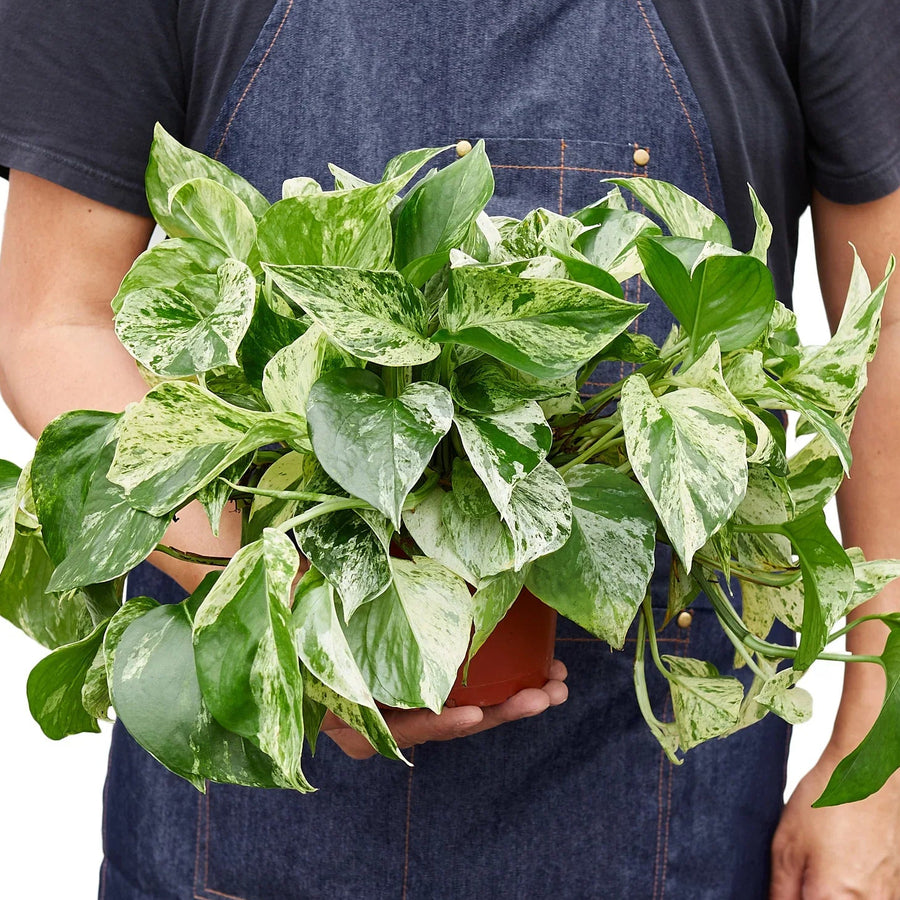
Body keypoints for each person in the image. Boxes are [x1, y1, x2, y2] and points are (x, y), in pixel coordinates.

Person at [0, 0, 898, 896]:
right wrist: (302, 619)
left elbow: (886, 323)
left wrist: (882, 758)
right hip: (259, 795)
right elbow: (55, 315)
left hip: (649, 790)